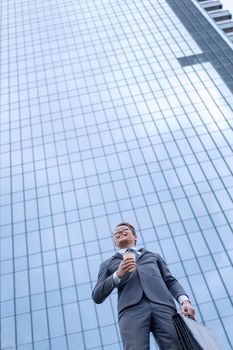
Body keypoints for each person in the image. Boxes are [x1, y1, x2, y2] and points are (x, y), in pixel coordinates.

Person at [92, 222, 195, 350]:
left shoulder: (153, 256)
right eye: (116, 232)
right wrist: (117, 275)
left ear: (135, 237)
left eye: (124, 230)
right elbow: (97, 296)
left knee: (176, 347)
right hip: (131, 311)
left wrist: (185, 301)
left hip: (164, 307)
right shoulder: (107, 264)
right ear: (115, 242)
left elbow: (170, 281)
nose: (119, 232)